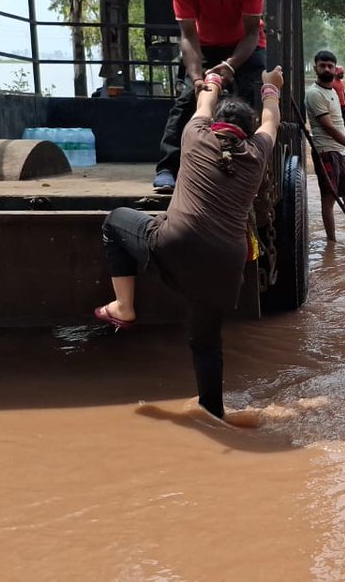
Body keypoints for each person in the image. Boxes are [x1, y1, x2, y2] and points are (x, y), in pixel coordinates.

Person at [94, 66, 284, 424]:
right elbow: (271, 123)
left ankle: (124, 306)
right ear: (247, 131)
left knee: (113, 220)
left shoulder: (196, 135)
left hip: (175, 243)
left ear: (217, 124)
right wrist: (271, 88)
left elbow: (204, 101)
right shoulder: (257, 155)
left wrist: (212, 80)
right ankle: (213, 411)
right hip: (226, 267)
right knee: (206, 344)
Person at [153, 0, 267, 194]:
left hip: (245, 47)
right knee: (185, 101)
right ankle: (168, 167)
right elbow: (188, 36)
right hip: (203, 46)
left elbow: (252, 33)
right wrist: (195, 77)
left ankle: (250, 164)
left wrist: (230, 65)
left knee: (251, 97)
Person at [305, 50, 345, 242]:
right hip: (325, 151)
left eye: (330, 66)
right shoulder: (314, 93)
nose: (327, 69)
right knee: (329, 198)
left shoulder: (334, 92)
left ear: (335, 69)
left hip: (340, 151)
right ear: (316, 68)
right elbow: (328, 127)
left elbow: (339, 125)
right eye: (323, 65)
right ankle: (332, 242)